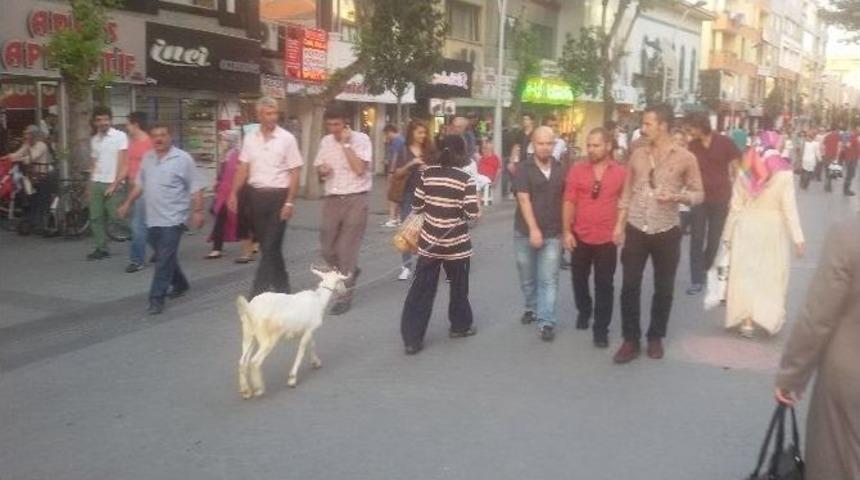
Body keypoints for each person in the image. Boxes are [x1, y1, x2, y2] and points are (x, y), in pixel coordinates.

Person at [613, 104, 704, 364]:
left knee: (664, 288)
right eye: (643, 124)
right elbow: (627, 192)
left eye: (648, 124)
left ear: (663, 126)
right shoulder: (637, 155)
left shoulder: (686, 157)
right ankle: (630, 339)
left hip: (667, 229)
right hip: (636, 226)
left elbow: (699, 193)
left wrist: (676, 196)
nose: (643, 129)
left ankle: (655, 336)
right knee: (629, 285)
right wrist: (619, 225)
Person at [773, 219, 860, 480]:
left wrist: (792, 375)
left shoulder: (849, 235)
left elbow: (818, 314)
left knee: (838, 461)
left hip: (849, 376)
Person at [399, 134, 479, 355]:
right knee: (458, 287)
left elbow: (416, 205)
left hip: (430, 243)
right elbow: (472, 214)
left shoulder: (427, 174)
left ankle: (412, 339)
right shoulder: (465, 179)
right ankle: (460, 326)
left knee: (422, 289)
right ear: (461, 152)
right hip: (457, 245)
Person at [117, 124, 205, 315]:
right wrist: (126, 204)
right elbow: (140, 185)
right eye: (155, 136)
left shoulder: (182, 159)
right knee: (166, 256)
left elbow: (196, 186)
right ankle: (180, 283)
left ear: (170, 137)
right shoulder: (147, 158)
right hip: (152, 219)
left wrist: (198, 211)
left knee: (163, 259)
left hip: (174, 220)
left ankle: (156, 299)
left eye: (163, 135)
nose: (159, 139)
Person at [722, 148, 805, 337]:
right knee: (770, 275)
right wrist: (798, 238)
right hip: (772, 231)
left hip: (746, 228)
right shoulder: (784, 175)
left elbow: (735, 207)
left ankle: (746, 321)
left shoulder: (745, 173)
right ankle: (767, 317)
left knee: (745, 274)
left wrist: (727, 236)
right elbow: (789, 209)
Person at [229, 97, 304, 298]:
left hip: (279, 197)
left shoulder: (287, 138)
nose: (272, 117)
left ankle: (257, 294)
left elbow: (295, 171)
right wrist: (233, 193)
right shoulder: (250, 138)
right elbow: (243, 167)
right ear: (259, 115)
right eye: (268, 113)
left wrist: (290, 201)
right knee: (269, 247)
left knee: (270, 245)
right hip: (256, 197)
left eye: (275, 113)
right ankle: (283, 288)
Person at [562, 127, 626, 348]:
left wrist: (620, 227)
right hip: (580, 234)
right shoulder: (577, 170)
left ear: (608, 146)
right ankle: (584, 309)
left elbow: (623, 204)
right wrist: (567, 231)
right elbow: (569, 201)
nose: (591, 149)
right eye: (589, 145)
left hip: (607, 238)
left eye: (596, 145)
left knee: (604, 284)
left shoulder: (620, 173)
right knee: (578, 279)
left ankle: (601, 328)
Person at [315, 105, 373, 315]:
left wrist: (346, 145)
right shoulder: (325, 141)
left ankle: (344, 295)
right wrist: (322, 171)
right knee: (327, 248)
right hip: (332, 198)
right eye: (329, 125)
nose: (333, 129)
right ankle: (350, 271)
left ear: (345, 122)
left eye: (337, 125)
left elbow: (359, 169)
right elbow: (320, 170)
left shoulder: (362, 140)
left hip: (356, 198)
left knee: (345, 249)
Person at [513, 126, 567, 341]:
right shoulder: (523, 168)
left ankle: (546, 321)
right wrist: (534, 229)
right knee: (527, 277)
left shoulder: (561, 168)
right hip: (525, 231)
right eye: (540, 143)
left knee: (549, 279)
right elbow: (523, 199)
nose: (545, 147)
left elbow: (566, 200)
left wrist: (567, 230)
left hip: (553, 233)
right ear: (533, 145)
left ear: (554, 144)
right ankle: (532, 306)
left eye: (549, 143)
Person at [683, 112, 742, 295]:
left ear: (701, 126)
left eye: (691, 128)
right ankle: (696, 279)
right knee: (696, 238)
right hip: (699, 198)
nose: (689, 131)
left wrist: (740, 191)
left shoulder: (724, 142)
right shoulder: (692, 146)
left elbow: (738, 167)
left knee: (714, 239)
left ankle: (705, 267)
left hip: (721, 198)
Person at [392, 119, 434, 281]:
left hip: (428, 194)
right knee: (407, 232)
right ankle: (406, 266)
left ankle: (426, 265)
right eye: (419, 133)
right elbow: (397, 173)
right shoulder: (404, 150)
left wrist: (429, 168)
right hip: (409, 195)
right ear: (412, 133)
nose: (423, 136)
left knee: (428, 231)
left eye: (424, 133)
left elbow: (439, 169)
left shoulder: (429, 150)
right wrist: (412, 163)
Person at [87, 106, 128, 260]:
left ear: (111, 120)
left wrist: (115, 183)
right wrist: (89, 185)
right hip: (97, 181)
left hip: (113, 181)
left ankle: (141, 234)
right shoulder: (94, 139)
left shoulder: (120, 136)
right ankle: (101, 248)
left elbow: (124, 163)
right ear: (95, 122)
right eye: (99, 120)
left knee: (116, 216)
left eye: (105, 119)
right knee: (95, 218)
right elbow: (94, 163)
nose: (103, 122)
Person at [207, 130, 255, 261]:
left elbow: (243, 173)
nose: (222, 143)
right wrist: (217, 182)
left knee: (244, 219)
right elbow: (222, 173)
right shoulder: (225, 155)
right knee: (220, 217)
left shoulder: (239, 154)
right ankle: (216, 248)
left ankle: (254, 242)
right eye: (222, 140)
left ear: (231, 141)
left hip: (237, 191)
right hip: (223, 192)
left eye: (224, 140)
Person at [7, 124, 54, 234]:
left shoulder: (41, 145)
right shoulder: (27, 144)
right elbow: (18, 153)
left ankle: (36, 220)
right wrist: (8, 157)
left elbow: (31, 157)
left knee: (37, 198)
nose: (25, 136)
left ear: (33, 135)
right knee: (25, 191)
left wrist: (18, 158)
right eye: (25, 133)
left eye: (27, 133)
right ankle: (28, 214)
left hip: (42, 175)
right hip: (32, 175)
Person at [124, 112, 154, 273]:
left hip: (145, 188)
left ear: (135, 124)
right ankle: (162, 250)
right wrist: (117, 183)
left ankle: (137, 260)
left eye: (128, 124)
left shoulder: (149, 143)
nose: (126, 127)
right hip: (133, 186)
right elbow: (127, 165)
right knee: (148, 224)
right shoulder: (132, 142)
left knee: (138, 225)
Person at [382, 124, 406, 228]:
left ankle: (393, 218)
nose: (386, 136)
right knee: (399, 194)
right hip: (401, 170)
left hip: (397, 170)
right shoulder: (401, 139)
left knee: (393, 195)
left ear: (389, 132)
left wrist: (391, 172)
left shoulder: (397, 140)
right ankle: (399, 217)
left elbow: (395, 156)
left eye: (386, 134)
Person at [477, 140, 500, 206]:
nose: (483, 150)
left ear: (490, 150)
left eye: (486, 148)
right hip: (480, 176)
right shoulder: (482, 159)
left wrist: (495, 181)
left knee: (475, 179)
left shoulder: (495, 158)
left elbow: (498, 170)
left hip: (488, 177)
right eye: (483, 148)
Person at [820, 127, 840, 191]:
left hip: (827, 156)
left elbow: (822, 146)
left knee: (827, 172)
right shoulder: (837, 137)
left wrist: (823, 154)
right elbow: (839, 147)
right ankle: (829, 187)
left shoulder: (827, 136)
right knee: (832, 172)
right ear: (835, 130)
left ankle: (826, 186)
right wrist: (837, 156)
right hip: (833, 157)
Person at [840, 125, 858, 196]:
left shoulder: (854, 137)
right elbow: (847, 146)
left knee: (851, 174)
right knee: (849, 174)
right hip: (851, 159)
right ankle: (846, 190)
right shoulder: (853, 138)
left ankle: (847, 189)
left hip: (853, 158)